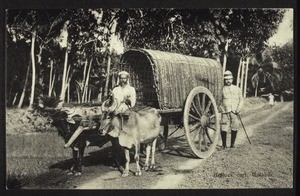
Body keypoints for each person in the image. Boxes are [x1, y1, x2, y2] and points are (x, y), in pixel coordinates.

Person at [219, 70, 244, 149]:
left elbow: (241, 100)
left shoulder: (237, 89)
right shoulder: (221, 89)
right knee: (223, 127)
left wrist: (238, 109)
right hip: (225, 111)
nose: (228, 81)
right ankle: (224, 145)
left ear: (232, 79)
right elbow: (219, 100)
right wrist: (221, 109)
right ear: (224, 80)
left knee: (234, 126)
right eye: (226, 79)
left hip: (235, 111)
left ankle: (232, 144)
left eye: (229, 79)